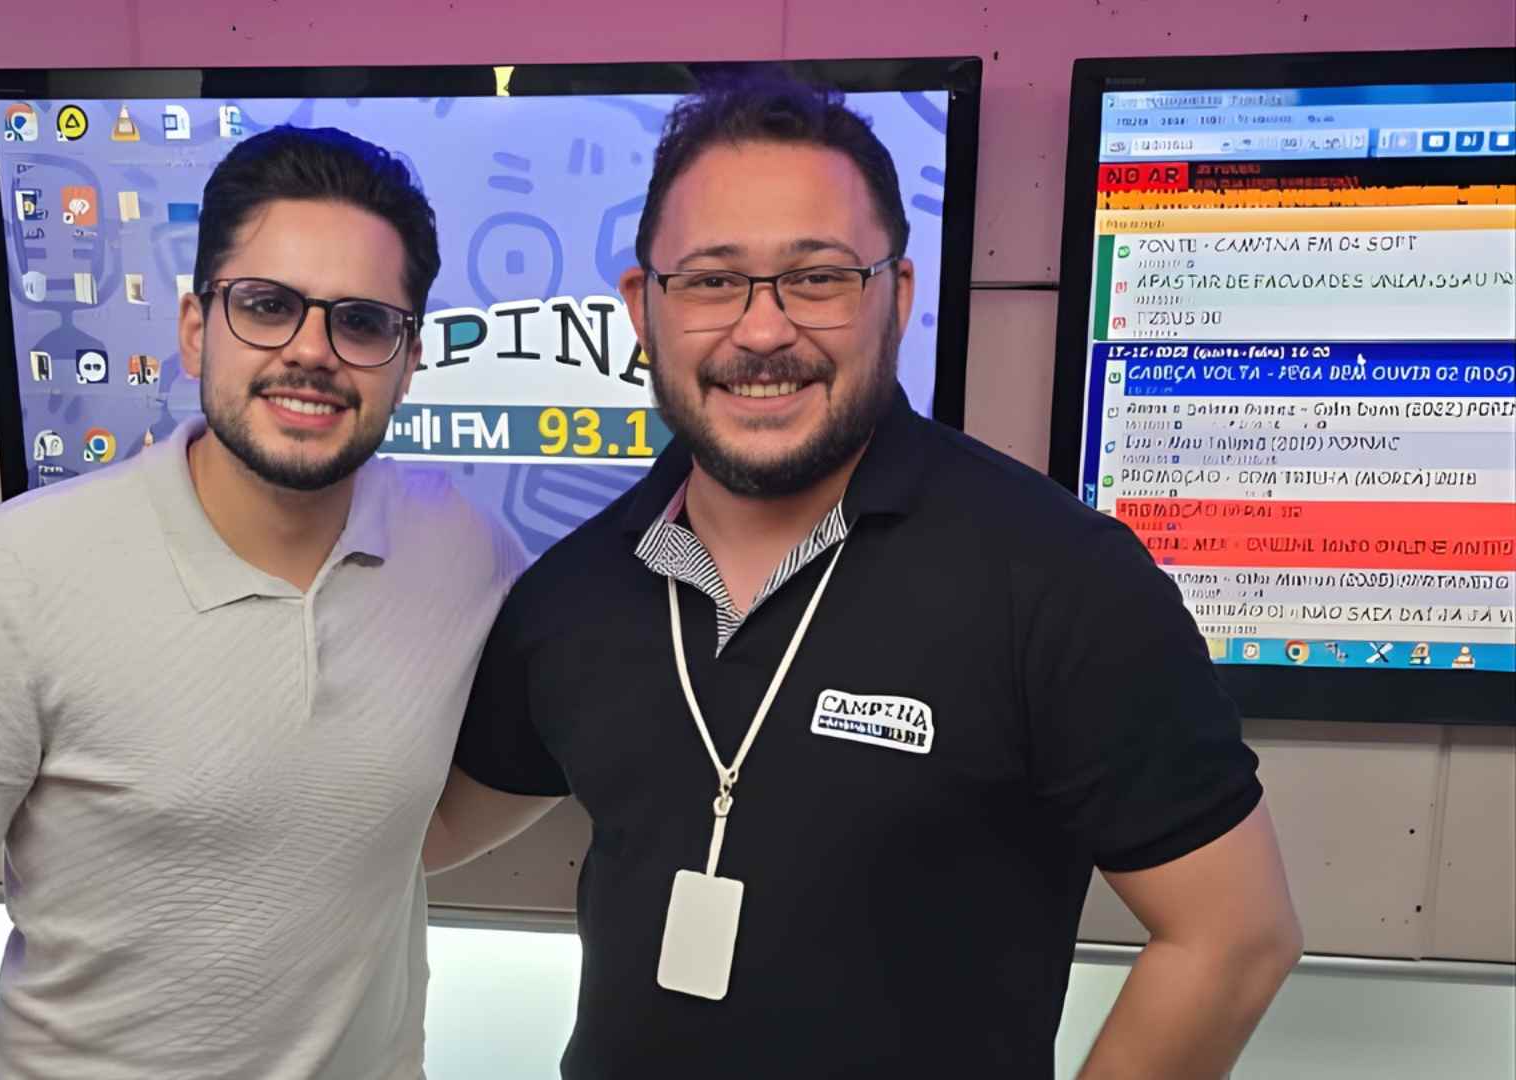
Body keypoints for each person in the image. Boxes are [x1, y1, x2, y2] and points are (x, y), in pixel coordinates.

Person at [430, 78, 1302, 1078]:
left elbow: (1236, 939)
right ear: (644, 307)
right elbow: (433, 823)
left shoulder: (1062, 579)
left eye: (818, 278)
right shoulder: (576, 591)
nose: (763, 332)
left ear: (898, 295)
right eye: (712, 281)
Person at [0, 126, 523, 1080]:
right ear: (197, 326)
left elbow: (425, 818)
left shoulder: (461, 547)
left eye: (363, 322)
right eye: (267, 305)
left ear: (409, 358)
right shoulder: (15, 569)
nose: (312, 351)